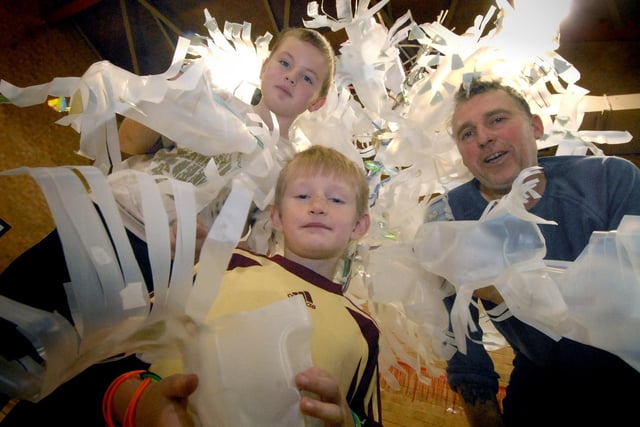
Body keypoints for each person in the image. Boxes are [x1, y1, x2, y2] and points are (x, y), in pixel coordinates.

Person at [0, 26, 336, 424]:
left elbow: (258, 250)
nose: (291, 76)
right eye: (285, 62)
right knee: (14, 312)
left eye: (307, 78)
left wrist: (212, 246)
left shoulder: (290, 172)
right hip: (103, 222)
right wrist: (158, 95)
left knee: (71, 371)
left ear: (316, 102)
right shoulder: (215, 103)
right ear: (265, 66)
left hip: (156, 271)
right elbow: (130, 141)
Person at [103, 145, 381, 426]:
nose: (318, 206)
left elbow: (364, 418)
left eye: (336, 199)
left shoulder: (364, 329)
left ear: (359, 225)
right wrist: (139, 403)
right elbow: (114, 351)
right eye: (302, 195)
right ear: (276, 217)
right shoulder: (227, 264)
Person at [425, 78, 640, 426]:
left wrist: (506, 289)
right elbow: (460, 337)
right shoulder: (450, 217)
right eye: (467, 133)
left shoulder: (610, 179)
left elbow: (629, 304)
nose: (483, 137)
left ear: (536, 127)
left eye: (497, 119)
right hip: (538, 383)